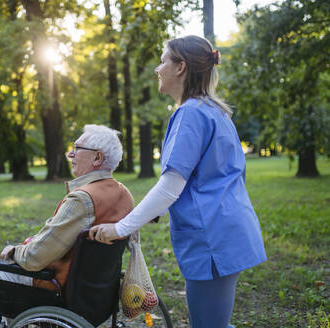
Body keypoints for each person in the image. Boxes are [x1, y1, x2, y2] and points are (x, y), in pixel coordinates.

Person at [89, 35, 267, 328]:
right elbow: (202, 178)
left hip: (212, 238)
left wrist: (121, 228)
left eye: (163, 61)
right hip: (229, 231)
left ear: (180, 67)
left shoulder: (190, 114)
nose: (157, 69)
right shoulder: (214, 111)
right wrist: (150, 212)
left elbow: (172, 185)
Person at [0, 124, 134, 328]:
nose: (70, 154)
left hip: (59, 291)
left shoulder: (82, 200)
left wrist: (14, 251)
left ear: (97, 158)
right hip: (98, 295)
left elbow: (34, 258)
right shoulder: (125, 195)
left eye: (77, 148)